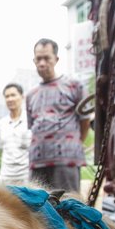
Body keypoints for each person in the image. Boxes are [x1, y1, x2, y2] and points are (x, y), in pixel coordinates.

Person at [26, 38, 89, 192]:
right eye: (38, 59)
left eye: (46, 58)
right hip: (37, 161)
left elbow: (85, 120)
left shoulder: (74, 85)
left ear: (56, 59)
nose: (42, 63)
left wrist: (75, 142)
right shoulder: (30, 94)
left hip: (66, 160)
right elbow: (32, 125)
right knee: (38, 212)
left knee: (68, 207)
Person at [0, 83, 31, 184]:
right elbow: (1, 150)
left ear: (22, 97)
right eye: (7, 96)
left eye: (13, 95)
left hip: (27, 177)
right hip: (5, 177)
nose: (10, 99)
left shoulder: (30, 120)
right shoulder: (1, 124)